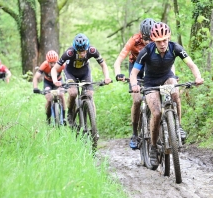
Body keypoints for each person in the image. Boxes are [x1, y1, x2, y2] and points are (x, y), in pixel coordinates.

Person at [130, 22, 204, 167]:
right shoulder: (147, 50)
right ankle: (152, 147)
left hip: (166, 78)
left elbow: (191, 65)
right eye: (159, 41)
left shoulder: (175, 47)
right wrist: (134, 84)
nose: (162, 44)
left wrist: (198, 77)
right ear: (153, 40)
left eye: (165, 40)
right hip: (150, 82)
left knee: (175, 92)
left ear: (168, 38)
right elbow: (134, 73)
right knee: (156, 113)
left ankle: (178, 126)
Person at [51, 33, 112, 125]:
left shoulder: (92, 51)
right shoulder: (69, 53)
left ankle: (93, 123)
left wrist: (107, 77)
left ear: (87, 48)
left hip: (84, 72)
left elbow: (103, 65)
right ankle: (70, 113)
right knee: (73, 92)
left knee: (89, 94)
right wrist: (55, 80)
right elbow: (54, 69)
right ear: (76, 50)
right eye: (80, 52)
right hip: (70, 72)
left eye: (84, 51)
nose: (82, 54)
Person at [114, 18, 156, 150]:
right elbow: (119, 60)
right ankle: (134, 133)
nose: (148, 41)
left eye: (151, 38)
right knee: (137, 100)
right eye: (146, 38)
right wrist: (118, 73)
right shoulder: (134, 40)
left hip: (151, 66)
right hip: (135, 68)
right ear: (141, 34)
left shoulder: (158, 38)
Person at [32, 50, 66, 124]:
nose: (53, 65)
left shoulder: (62, 65)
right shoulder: (44, 65)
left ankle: (63, 117)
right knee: (49, 98)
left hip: (58, 81)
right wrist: (35, 88)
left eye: (55, 62)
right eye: (51, 63)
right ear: (47, 61)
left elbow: (68, 73)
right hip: (48, 82)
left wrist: (67, 84)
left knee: (61, 95)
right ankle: (48, 118)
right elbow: (36, 77)